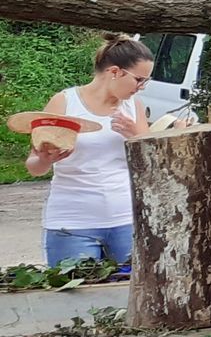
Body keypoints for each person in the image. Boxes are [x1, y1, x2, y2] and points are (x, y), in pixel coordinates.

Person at [26, 33, 153, 265]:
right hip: (72, 224)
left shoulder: (134, 107)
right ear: (115, 72)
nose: (141, 87)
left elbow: (150, 165)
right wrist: (45, 159)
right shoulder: (65, 102)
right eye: (139, 80)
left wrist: (136, 136)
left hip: (127, 220)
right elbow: (34, 167)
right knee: (75, 288)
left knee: (132, 288)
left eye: (146, 81)